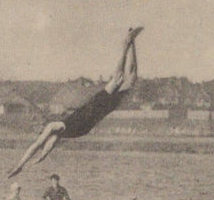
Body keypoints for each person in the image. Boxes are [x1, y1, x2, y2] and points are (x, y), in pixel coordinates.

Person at [7, 27, 142, 178]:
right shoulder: (57, 134)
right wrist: (41, 158)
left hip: (95, 106)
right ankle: (132, 42)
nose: (41, 134)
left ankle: (126, 44)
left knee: (119, 77)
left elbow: (37, 145)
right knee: (132, 78)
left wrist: (20, 165)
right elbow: (46, 148)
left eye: (40, 130)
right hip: (102, 110)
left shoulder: (55, 126)